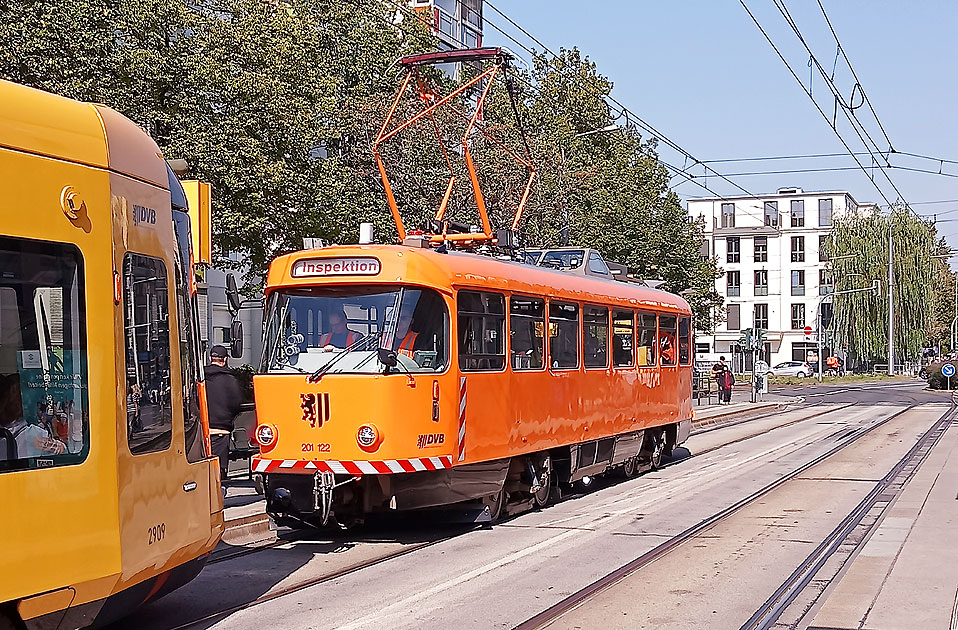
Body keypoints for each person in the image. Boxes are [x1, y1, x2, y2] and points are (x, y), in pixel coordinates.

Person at [205, 345, 244, 486]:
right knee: (219, 471)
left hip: (203, 431)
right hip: (221, 431)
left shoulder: (202, 378)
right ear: (225, 359)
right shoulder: (230, 380)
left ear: (210, 359)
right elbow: (237, 404)